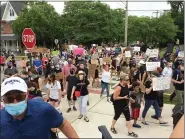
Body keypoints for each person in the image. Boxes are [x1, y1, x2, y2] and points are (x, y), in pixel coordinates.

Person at [0, 76, 79, 139]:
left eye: (20, 97)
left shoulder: (43, 109)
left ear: (27, 94)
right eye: (9, 99)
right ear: (2, 99)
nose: (15, 102)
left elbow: (63, 124)